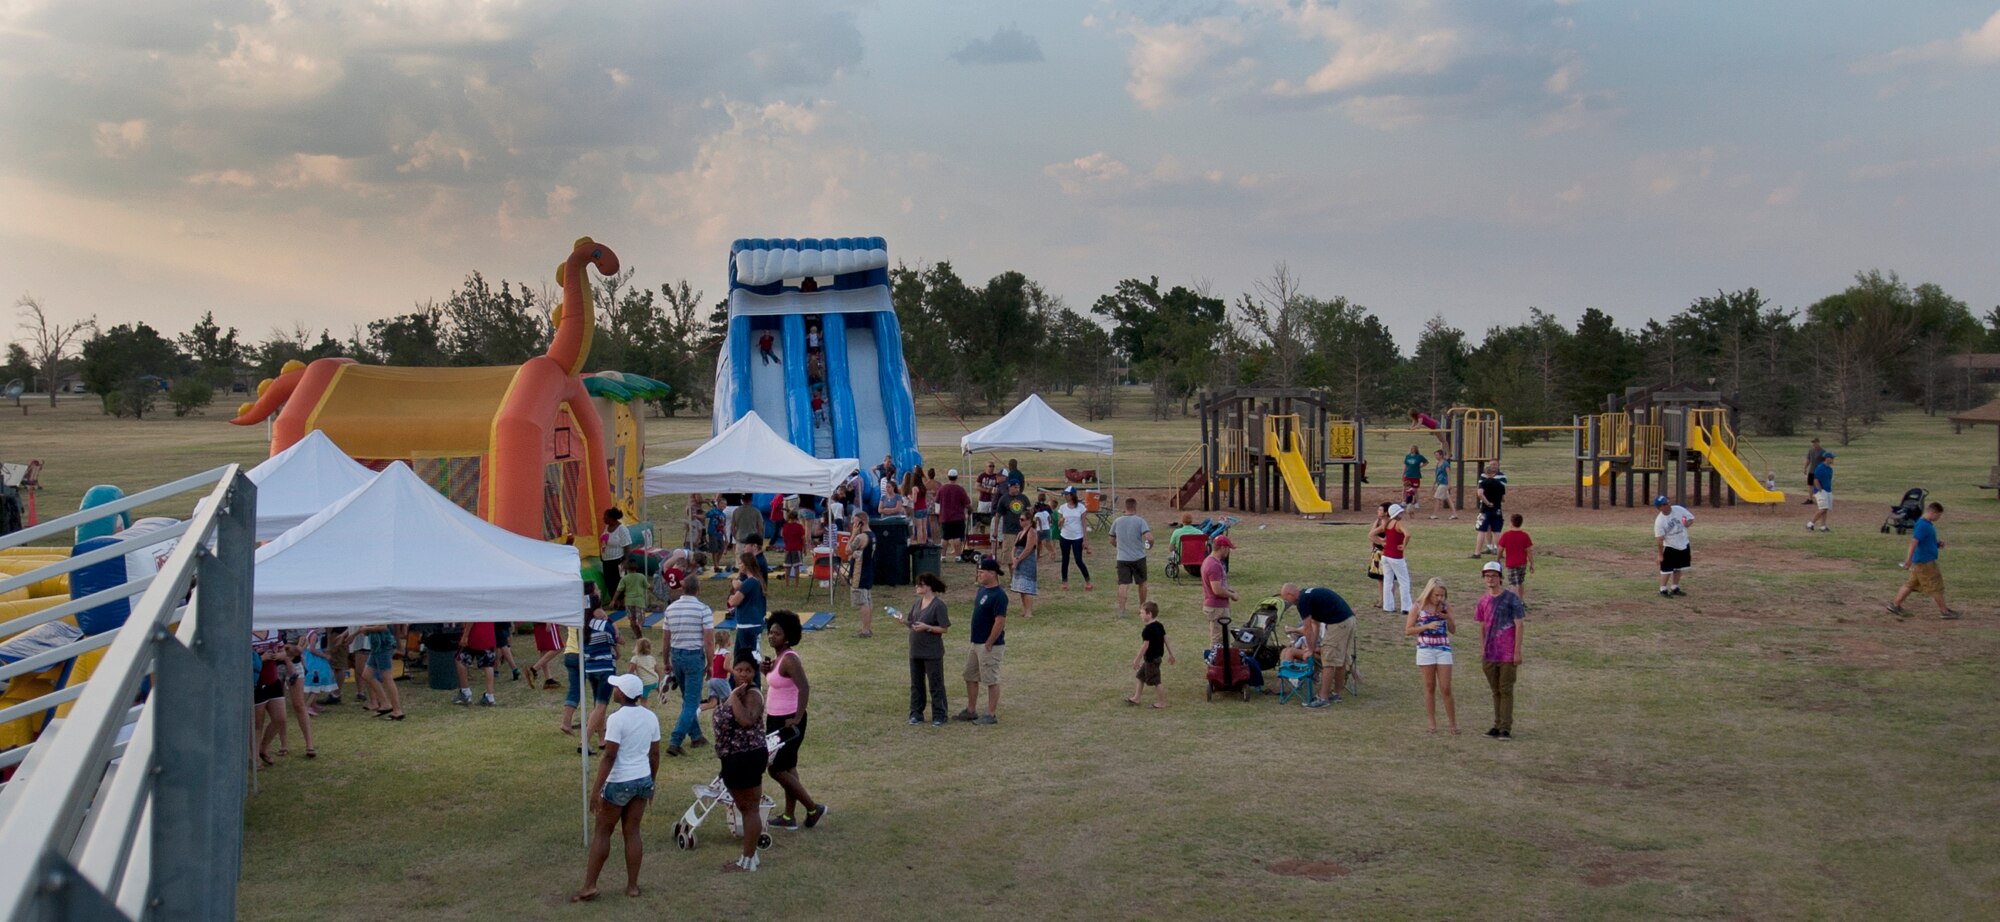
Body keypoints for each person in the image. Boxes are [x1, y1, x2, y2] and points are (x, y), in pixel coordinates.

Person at [573, 673, 659, 902]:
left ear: (623, 694)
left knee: (603, 831)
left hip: (619, 781)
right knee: (632, 832)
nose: (614, 690)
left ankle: (590, 886)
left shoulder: (616, 719)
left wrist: (595, 791)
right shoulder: (651, 717)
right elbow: (655, 754)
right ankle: (632, 887)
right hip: (642, 779)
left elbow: (610, 756)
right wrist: (652, 783)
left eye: (617, 688)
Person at [762, 611, 827, 832]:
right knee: (789, 767)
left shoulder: (789, 659)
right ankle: (789, 816)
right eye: (770, 632)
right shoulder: (778, 658)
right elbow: (779, 685)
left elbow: (804, 688)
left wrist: (797, 718)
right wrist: (766, 673)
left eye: (777, 634)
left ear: (787, 637)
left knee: (775, 769)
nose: (771, 636)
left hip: (789, 722)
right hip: (775, 719)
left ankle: (813, 808)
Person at [715, 653, 768, 873]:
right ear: (732, 670)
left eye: (747, 670)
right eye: (739, 670)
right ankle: (750, 857)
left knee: (749, 809)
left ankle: (746, 861)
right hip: (735, 758)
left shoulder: (752, 695)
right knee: (746, 808)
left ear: (754, 672)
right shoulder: (737, 692)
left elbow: (746, 720)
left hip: (745, 757)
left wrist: (734, 697)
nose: (743, 674)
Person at [1281, 583, 1356, 709]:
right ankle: (1336, 694)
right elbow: (1315, 625)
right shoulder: (1308, 595)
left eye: (1285, 598)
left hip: (1338, 623)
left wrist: (1310, 649)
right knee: (1340, 660)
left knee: (1329, 661)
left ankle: (1323, 698)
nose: (1286, 602)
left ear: (1290, 594)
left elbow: (1307, 628)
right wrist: (1311, 647)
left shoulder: (1302, 601)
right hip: (1349, 620)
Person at [661, 575, 713, 755]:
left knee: (687, 698)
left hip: (676, 654)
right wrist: (711, 663)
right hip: (693, 656)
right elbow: (708, 641)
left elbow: (666, 639)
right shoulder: (703, 609)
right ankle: (675, 741)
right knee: (692, 701)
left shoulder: (671, 609)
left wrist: (666, 660)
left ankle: (696, 736)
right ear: (698, 590)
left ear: (682, 588)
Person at [1474, 561, 1525, 740]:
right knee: (1495, 690)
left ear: (1500, 578)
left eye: (1494, 575)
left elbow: (1519, 625)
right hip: (1490, 652)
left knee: (1506, 689)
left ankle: (1505, 727)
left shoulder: (1512, 599)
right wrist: (1482, 648)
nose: (1490, 579)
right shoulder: (1483, 601)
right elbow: (1481, 626)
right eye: (1487, 576)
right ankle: (1497, 724)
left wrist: (1517, 651)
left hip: (1507, 652)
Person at [957, 558, 1008, 725]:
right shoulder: (981, 590)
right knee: (969, 675)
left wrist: (990, 641)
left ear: (992, 574)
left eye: (981, 572)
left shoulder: (999, 595)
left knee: (990, 679)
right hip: (975, 642)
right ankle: (971, 710)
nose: (978, 574)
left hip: (989, 644)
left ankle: (991, 714)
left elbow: (1000, 621)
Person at [1403, 578, 1457, 735]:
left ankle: (1452, 723)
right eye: (1437, 595)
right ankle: (1432, 723)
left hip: (1443, 648)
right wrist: (1426, 626)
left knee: (1446, 688)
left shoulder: (1445, 607)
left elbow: (1453, 630)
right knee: (1429, 686)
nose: (1439, 598)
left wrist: (1448, 618)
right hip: (1425, 649)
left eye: (1442, 595)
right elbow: (1408, 629)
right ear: (1429, 593)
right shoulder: (1418, 607)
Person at [1889, 502, 1958, 619]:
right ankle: (1945, 612)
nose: (1939, 518)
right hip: (1925, 561)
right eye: (1938, 515)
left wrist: (1937, 544)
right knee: (1936, 586)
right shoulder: (1923, 525)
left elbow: (1924, 541)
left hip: (1922, 560)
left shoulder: (1926, 524)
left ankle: (1895, 605)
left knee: (1911, 584)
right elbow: (1913, 543)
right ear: (1932, 512)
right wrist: (1908, 560)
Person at [900, 572, 951, 725]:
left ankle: (939, 714)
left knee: (935, 684)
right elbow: (913, 622)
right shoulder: (917, 603)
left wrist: (927, 627)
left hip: (931, 652)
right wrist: (903, 621)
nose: (917, 587)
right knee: (916, 684)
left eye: (920, 585)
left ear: (928, 587)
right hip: (915, 650)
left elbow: (944, 628)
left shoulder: (938, 605)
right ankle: (916, 713)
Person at [582, 601, 622, 747]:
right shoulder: (605, 625)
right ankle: (584, 740)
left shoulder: (583, 626)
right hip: (605, 668)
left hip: (590, 668)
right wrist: (609, 620)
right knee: (601, 705)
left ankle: (601, 740)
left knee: (597, 704)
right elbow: (619, 642)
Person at [1126, 601, 1176, 708]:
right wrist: (1171, 654)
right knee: (1140, 676)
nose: (1140, 615)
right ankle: (1137, 697)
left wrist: (1137, 660)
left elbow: (1145, 646)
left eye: (1142, 613)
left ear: (1149, 614)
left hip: (1151, 659)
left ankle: (1162, 702)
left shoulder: (1147, 630)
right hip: (1155, 658)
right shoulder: (1159, 625)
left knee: (1156, 681)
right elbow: (1165, 639)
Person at [1109, 497, 1153, 618]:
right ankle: (1142, 608)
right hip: (1138, 557)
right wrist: (1149, 546)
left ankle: (1122, 611)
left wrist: (1118, 547)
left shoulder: (1117, 521)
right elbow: (1149, 538)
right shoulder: (1140, 521)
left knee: (1123, 584)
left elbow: (1111, 539)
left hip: (1122, 558)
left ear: (1125, 507)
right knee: (1142, 583)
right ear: (1135, 507)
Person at [251, 630, 289, 766]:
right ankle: (254, 756)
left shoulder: (273, 631)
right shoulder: (246, 633)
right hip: (256, 682)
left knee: (280, 719)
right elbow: (241, 660)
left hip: (273, 680)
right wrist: (262, 658)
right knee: (257, 723)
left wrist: (278, 655)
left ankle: (263, 747)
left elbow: (285, 652)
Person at [727, 552, 768, 671]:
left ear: (746, 565)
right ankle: (737, 683)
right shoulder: (756, 581)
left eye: (740, 563)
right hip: (748, 624)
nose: (739, 565)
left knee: (749, 659)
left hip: (748, 625)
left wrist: (735, 588)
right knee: (739, 657)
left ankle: (754, 683)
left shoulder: (750, 582)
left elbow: (733, 602)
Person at [1200, 536, 1239, 647]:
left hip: (1214, 606)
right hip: (1218, 607)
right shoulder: (1214, 565)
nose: (1229, 551)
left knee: (1221, 638)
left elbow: (1219, 585)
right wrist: (1232, 595)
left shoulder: (1209, 561)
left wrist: (1229, 590)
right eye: (1228, 548)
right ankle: (1217, 663)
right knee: (1219, 640)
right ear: (1222, 547)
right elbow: (1217, 590)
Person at [1653, 495, 1694, 597]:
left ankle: (1675, 587)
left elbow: (1691, 519)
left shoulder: (1678, 509)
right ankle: (1663, 589)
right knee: (1666, 569)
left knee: (1678, 567)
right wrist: (1660, 555)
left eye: (1668, 502)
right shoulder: (1660, 521)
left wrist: (1686, 524)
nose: (1668, 505)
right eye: (1665, 504)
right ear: (1660, 508)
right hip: (1670, 546)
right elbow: (1659, 540)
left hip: (1683, 542)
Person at [1055, 487, 1093, 591]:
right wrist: (1061, 521)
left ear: (1072, 495)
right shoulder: (1062, 508)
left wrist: (1085, 540)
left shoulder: (1081, 508)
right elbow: (1058, 525)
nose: (1065, 496)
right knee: (1065, 559)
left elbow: (1084, 524)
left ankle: (1088, 581)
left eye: (1066, 494)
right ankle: (1064, 582)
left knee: (1078, 560)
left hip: (1077, 536)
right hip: (1065, 536)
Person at [454, 620, 499, 707]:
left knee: (460, 660)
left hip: (474, 634)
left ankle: (465, 692)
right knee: (488, 665)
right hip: (488, 632)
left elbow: (471, 618)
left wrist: (465, 635)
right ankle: (490, 696)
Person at [1496, 513, 1536, 602]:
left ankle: (1515, 602)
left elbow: (1500, 549)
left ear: (1511, 522)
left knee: (1514, 583)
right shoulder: (1525, 535)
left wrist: (1498, 559)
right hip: (1522, 563)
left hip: (1511, 563)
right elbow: (1529, 551)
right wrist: (1532, 563)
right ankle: (1521, 601)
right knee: (1520, 582)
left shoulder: (1506, 535)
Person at [847, 511, 875, 637]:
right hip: (868, 569)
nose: (853, 524)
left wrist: (853, 534)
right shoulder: (872, 535)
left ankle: (865, 630)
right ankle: (867, 628)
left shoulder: (860, 537)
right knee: (868, 600)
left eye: (854, 522)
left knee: (863, 602)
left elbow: (847, 550)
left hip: (860, 572)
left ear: (859, 523)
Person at [1381, 504, 1414, 612]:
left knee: (1387, 581)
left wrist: (1382, 542)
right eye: (1400, 512)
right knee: (1404, 582)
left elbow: (1381, 536)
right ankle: (1406, 607)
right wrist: (1404, 545)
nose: (1402, 514)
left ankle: (1388, 606)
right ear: (1397, 513)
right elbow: (1408, 534)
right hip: (1396, 556)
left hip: (1385, 555)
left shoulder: (1387, 523)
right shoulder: (1398, 524)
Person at [1009, 504, 1040, 618]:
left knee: (1026, 587)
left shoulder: (1031, 532)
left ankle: (1029, 611)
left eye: (1022, 519)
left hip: (1027, 562)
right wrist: (1013, 558)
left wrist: (1018, 559)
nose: (1020, 521)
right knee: (1021, 588)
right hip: (1019, 561)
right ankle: (1025, 609)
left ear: (1029, 521)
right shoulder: (1020, 533)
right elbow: (1014, 547)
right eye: (1020, 519)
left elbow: (1028, 548)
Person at [1472, 464, 1505, 558]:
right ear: (1494, 473)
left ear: (1485, 473)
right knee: (1496, 531)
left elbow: (1480, 494)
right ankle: (1499, 553)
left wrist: (1487, 502)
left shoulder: (1483, 483)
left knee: (1481, 531)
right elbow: (1503, 499)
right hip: (1497, 510)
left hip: (1485, 510)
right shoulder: (1500, 485)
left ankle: (1477, 553)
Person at [936, 469, 970, 558]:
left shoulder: (942, 489)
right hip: (958, 517)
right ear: (956, 477)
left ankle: (942, 556)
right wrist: (970, 510)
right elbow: (967, 503)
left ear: (948, 477)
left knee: (945, 537)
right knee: (957, 537)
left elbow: (937, 502)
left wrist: (938, 514)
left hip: (945, 517)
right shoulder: (960, 489)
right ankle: (958, 556)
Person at [600, 508, 631, 598]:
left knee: (619, 581)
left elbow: (627, 546)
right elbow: (605, 542)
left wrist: (625, 560)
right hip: (607, 561)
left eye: (605, 517)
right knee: (609, 582)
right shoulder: (607, 527)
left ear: (612, 518)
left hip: (618, 561)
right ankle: (614, 601)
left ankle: (621, 601)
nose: (603, 519)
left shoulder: (622, 529)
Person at [616, 562, 650, 638]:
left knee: (632, 619)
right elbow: (648, 586)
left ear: (627, 569)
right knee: (640, 619)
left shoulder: (624, 578)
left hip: (629, 602)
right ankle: (639, 627)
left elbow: (619, 590)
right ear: (636, 568)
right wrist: (655, 591)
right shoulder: (641, 576)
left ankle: (636, 634)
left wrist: (613, 600)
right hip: (639, 601)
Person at [627, 637, 661, 709]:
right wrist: (659, 680)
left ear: (637, 648)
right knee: (657, 687)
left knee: (643, 701)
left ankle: (644, 710)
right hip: (655, 680)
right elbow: (657, 670)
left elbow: (630, 671)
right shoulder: (651, 658)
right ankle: (662, 695)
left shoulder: (635, 658)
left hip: (645, 683)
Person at [530, 619, 563, 690]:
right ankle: (534, 669)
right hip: (546, 620)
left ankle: (548, 679)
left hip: (537, 622)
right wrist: (549, 619)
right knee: (558, 648)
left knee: (543, 650)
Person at [1807, 452, 1835, 533]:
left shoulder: (1830, 469)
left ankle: (1823, 526)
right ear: (1827, 458)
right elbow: (1816, 479)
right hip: (1821, 491)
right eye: (1831, 458)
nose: (1833, 459)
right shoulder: (1820, 467)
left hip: (1828, 491)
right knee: (1823, 509)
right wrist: (1820, 490)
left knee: (1825, 509)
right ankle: (1810, 524)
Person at [974, 461, 1002, 535]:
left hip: (993, 501)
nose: (992, 468)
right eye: (990, 466)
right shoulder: (982, 476)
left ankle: (992, 534)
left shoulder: (996, 476)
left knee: (992, 518)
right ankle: (982, 534)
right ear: (986, 467)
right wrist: (986, 490)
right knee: (981, 518)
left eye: (993, 466)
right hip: (983, 500)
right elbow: (977, 486)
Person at [781, 510, 807, 582]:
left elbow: (783, 536)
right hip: (797, 549)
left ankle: (787, 583)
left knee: (787, 567)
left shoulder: (785, 526)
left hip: (788, 548)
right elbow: (803, 539)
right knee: (796, 567)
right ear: (796, 517)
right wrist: (804, 548)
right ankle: (797, 583)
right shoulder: (799, 527)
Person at [906, 471, 931, 546]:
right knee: (924, 527)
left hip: (918, 509)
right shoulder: (923, 487)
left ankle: (920, 543)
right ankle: (925, 541)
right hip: (924, 508)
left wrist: (909, 496)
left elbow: (914, 500)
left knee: (919, 528)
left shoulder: (914, 488)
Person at [1401, 444, 1428, 509]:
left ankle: (1416, 502)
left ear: (1416, 450)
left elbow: (1426, 462)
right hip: (1408, 474)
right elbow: (1405, 465)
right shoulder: (1407, 456)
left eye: (1413, 448)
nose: (1411, 450)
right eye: (1411, 448)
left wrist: (1420, 466)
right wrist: (1403, 473)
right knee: (1405, 488)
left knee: (1415, 489)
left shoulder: (1419, 457)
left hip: (1415, 475)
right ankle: (1404, 501)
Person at [1431, 449, 1455, 519]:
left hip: (1444, 483)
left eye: (1437, 455)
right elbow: (1437, 474)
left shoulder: (1445, 463)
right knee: (1448, 499)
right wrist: (1434, 483)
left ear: (1441, 455)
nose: (1436, 456)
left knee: (1437, 498)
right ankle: (1454, 514)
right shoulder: (1438, 464)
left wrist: (1449, 484)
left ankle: (1434, 514)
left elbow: (1448, 473)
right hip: (1440, 482)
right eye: (1435, 455)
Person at [1802, 437, 1826, 505]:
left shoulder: (1823, 451)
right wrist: (1805, 468)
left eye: (1815, 442)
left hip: (1819, 471)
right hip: (1811, 470)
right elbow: (1808, 460)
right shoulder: (1810, 450)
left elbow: (1825, 461)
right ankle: (1810, 499)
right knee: (1810, 485)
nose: (1814, 444)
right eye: (1813, 443)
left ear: (1818, 443)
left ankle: (1821, 499)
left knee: (1819, 485)